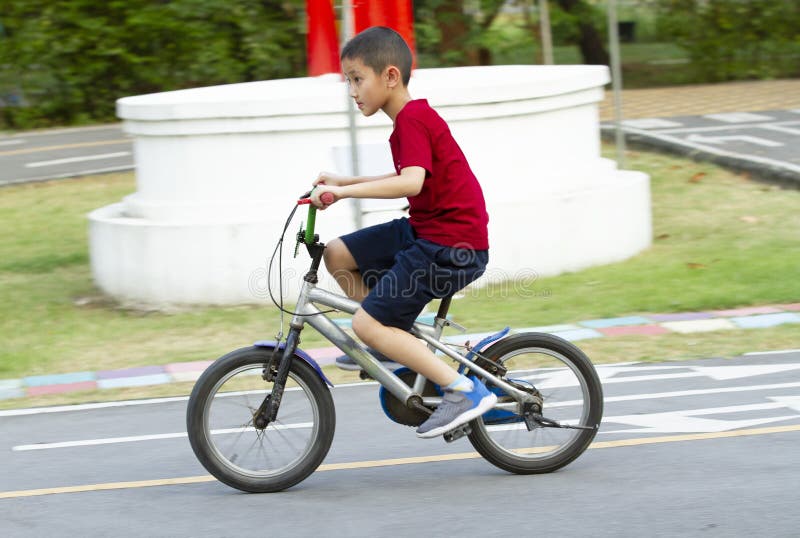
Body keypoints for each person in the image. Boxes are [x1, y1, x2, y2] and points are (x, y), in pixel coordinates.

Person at [309, 26, 496, 439]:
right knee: (338, 254)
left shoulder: (413, 119)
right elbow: (407, 176)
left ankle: (463, 391)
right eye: (348, 82)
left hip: (450, 245)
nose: (352, 91)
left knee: (365, 325)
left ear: (390, 77)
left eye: (358, 79)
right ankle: (391, 337)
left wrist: (341, 192)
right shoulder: (409, 121)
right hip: (427, 231)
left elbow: (409, 183)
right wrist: (345, 180)